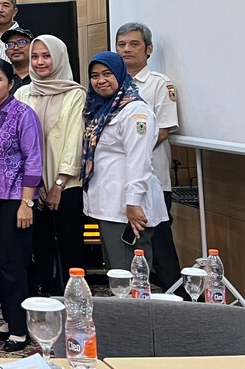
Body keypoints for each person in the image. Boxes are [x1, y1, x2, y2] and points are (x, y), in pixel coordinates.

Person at [0, 59, 43, 353]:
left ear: (11, 83)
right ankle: (8, 319)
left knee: (12, 264)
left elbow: (34, 160)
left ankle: (19, 329)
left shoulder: (23, 114)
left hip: (17, 199)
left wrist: (27, 203)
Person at [81, 51, 168, 271]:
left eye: (107, 74)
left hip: (128, 209)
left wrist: (133, 203)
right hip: (109, 207)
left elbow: (139, 161)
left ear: (120, 74)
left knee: (130, 277)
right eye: (94, 76)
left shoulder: (136, 111)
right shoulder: (103, 110)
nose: (100, 80)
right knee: (117, 275)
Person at [14, 35, 86, 296]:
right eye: (35, 56)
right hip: (31, 186)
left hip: (66, 184)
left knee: (70, 245)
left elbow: (74, 140)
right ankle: (45, 299)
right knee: (39, 246)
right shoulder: (22, 93)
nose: (40, 62)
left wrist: (58, 184)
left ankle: (75, 300)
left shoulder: (76, 94)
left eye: (46, 56)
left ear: (59, 58)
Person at [116, 22, 181, 290]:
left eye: (134, 44)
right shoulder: (112, 83)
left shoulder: (159, 84)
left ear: (149, 49)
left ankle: (175, 296)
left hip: (153, 178)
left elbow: (163, 130)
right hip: (121, 179)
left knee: (160, 243)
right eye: (121, 44)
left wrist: (129, 151)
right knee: (130, 246)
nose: (127, 50)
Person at [2, 28, 34, 92]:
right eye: (10, 44)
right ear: (6, 52)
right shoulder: (2, 75)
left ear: (33, 47)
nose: (16, 48)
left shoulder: (41, 74)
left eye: (22, 42)